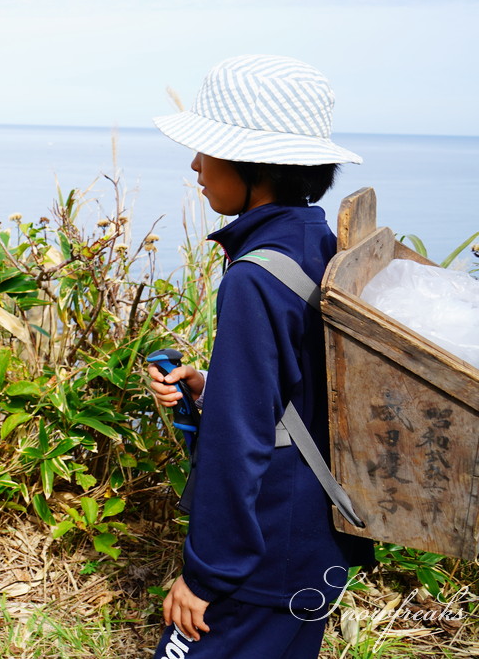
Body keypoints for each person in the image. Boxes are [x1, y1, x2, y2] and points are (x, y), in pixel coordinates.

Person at [146, 55, 374, 658]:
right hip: (316, 543)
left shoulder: (254, 277)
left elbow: (238, 441)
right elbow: (297, 388)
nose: (196, 164)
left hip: (262, 562)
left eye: (207, 150)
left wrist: (205, 576)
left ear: (255, 165)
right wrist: (209, 386)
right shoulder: (314, 240)